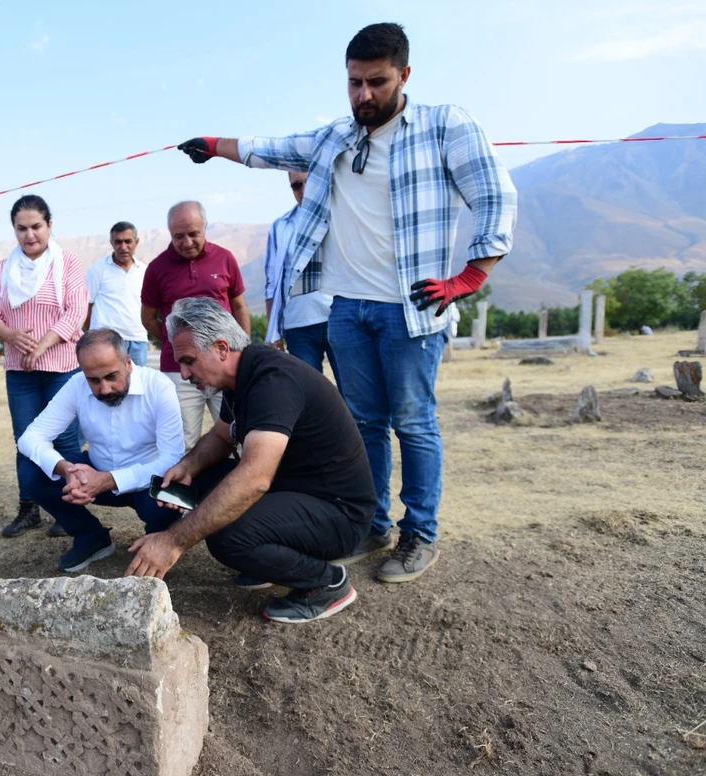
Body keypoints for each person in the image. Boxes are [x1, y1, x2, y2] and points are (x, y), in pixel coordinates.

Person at [176, 22, 516, 582]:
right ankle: (372, 525)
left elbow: (496, 195)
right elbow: (272, 149)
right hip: (349, 308)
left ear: (404, 75)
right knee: (365, 422)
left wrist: (470, 276)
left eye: (376, 82)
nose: (363, 95)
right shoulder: (338, 136)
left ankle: (419, 535)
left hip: (412, 306)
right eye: (354, 83)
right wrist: (213, 147)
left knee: (413, 420)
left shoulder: (444, 126)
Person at [124, 298, 377, 624]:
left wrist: (173, 541)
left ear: (221, 347)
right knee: (200, 481)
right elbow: (219, 437)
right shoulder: (240, 377)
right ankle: (270, 561)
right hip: (299, 492)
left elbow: (256, 477)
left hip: (340, 514)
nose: (184, 374)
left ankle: (325, 583)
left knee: (228, 535)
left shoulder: (273, 382)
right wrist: (188, 468)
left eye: (189, 361)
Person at [17, 328, 185, 572]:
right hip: (94, 472)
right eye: (93, 380)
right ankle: (91, 538)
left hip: (148, 481)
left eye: (111, 376)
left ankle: (156, 543)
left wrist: (109, 480)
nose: (104, 389)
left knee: (173, 496)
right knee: (31, 468)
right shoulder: (76, 385)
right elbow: (31, 437)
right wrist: (66, 471)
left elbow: (172, 458)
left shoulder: (159, 387)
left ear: (128, 363)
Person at [0, 194, 88, 539]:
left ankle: (68, 507)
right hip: (20, 371)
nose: (29, 235)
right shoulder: (2, 269)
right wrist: (11, 335)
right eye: (21, 228)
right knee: (26, 439)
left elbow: (76, 312)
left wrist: (42, 343)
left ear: (49, 226)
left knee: (66, 437)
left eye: (36, 227)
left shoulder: (68, 263)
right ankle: (28, 509)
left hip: (62, 365)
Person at [141, 201, 250, 449]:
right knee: (182, 441)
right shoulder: (156, 269)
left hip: (225, 364)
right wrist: (177, 345)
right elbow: (148, 317)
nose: (187, 242)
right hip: (178, 370)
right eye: (179, 236)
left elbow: (239, 306)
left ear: (204, 227)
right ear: (169, 233)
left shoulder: (225, 258)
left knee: (239, 435)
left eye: (193, 234)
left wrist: (241, 349)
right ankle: (184, 488)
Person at [265, 172, 338, 377]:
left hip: (337, 317)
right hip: (298, 325)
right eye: (297, 185)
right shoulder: (280, 226)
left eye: (310, 183)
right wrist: (273, 333)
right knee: (309, 396)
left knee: (352, 394)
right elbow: (272, 283)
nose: (304, 190)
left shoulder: (339, 215)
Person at [84, 222, 150, 366]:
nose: (123, 247)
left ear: (136, 242)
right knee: (105, 386)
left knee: (136, 385)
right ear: (111, 243)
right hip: (104, 342)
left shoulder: (145, 272)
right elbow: (85, 307)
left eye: (128, 241)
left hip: (137, 340)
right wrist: (96, 335)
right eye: (118, 242)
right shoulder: (97, 269)